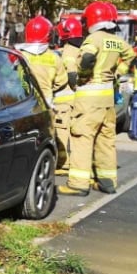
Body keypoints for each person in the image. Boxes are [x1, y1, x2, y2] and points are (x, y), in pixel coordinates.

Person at [59, 0, 135, 197]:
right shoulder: (116, 40)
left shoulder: (93, 39)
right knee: (106, 139)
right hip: (107, 100)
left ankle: (78, 184)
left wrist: (81, 75)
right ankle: (107, 181)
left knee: (82, 138)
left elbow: (86, 59)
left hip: (89, 99)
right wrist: (118, 73)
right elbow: (130, 54)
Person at [52, 16, 83, 173]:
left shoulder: (69, 51)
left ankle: (63, 163)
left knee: (62, 131)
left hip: (65, 100)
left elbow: (71, 76)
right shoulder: (81, 49)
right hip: (78, 99)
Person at [15, 15, 67, 108]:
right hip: (46, 102)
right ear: (49, 35)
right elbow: (62, 82)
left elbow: (5, 74)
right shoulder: (55, 57)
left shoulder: (18, 55)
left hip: (20, 102)